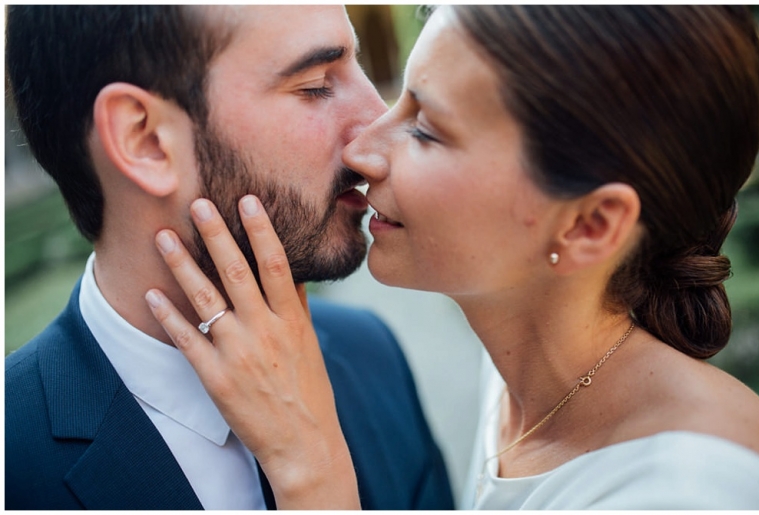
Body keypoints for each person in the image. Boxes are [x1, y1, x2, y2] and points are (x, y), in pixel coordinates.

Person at [147, 4, 759, 510]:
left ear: (589, 225)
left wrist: (314, 477)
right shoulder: (516, 381)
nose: (363, 148)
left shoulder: (691, 493)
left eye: (426, 130)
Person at [4, 5, 454, 510]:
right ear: (145, 140)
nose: (376, 129)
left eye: (361, 64)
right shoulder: (13, 460)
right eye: (315, 85)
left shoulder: (371, 353)